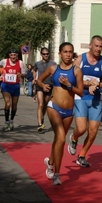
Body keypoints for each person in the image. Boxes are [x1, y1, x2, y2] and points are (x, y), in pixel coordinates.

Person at [37, 42, 84, 185]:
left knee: (58, 140)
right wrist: (43, 85)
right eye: (65, 51)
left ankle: (50, 162)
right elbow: (39, 79)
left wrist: (70, 86)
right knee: (62, 138)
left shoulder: (76, 71)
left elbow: (80, 92)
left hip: (69, 111)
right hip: (54, 107)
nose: (68, 54)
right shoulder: (53, 68)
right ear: (59, 53)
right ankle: (57, 174)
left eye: (70, 52)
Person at [67, 35, 102, 167]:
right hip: (81, 97)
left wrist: (97, 85)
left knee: (93, 131)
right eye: (96, 46)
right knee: (81, 129)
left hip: (95, 100)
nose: (98, 49)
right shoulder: (81, 59)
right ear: (90, 45)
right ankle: (74, 138)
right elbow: (72, 77)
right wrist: (88, 83)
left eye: (100, 47)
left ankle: (81, 155)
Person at [0, 49, 26, 131]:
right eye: (11, 55)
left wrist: (21, 74)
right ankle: (6, 122)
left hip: (15, 86)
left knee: (14, 106)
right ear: (9, 55)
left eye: (15, 55)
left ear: (17, 56)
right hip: (6, 85)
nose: (13, 57)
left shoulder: (20, 63)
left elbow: (24, 74)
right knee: (8, 103)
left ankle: (11, 120)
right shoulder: (4, 61)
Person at [33, 47, 57, 132]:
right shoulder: (37, 63)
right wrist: (34, 79)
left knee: (45, 105)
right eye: (44, 54)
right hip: (40, 85)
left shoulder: (53, 63)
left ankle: (41, 118)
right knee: (40, 104)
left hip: (49, 85)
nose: (46, 55)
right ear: (41, 55)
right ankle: (39, 124)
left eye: (47, 54)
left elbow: (56, 72)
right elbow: (34, 71)